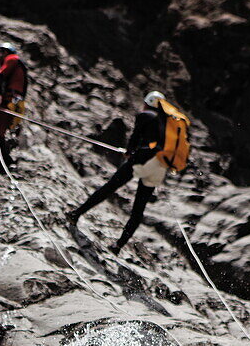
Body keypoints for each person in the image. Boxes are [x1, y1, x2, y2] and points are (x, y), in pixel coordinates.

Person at [69, 91, 173, 254]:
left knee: (110, 187)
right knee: (139, 207)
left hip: (141, 158)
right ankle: (118, 245)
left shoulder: (147, 115)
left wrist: (129, 151)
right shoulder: (168, 123)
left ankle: (76, 214)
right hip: (159, 165)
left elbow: (136, 136)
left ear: (147, 103)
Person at [0, 42, 29, 171]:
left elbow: (0, 76)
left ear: (5, 52)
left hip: (10, 99)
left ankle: (3, 162)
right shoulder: (19, 65)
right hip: (15, 100)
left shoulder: (11, 59)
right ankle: (3, 159)